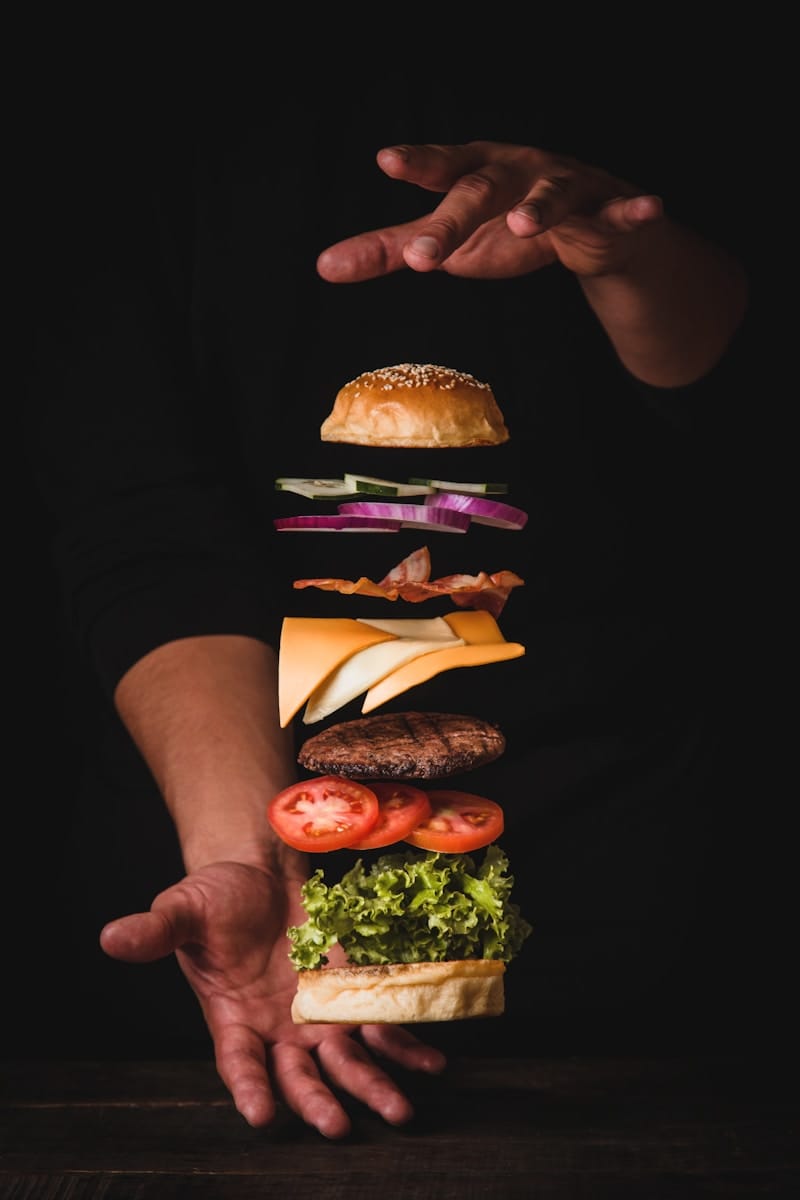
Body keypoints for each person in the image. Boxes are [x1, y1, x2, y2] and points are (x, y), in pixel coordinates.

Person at [17, 65, 775, 1140]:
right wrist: (243, 849)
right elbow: (141, 531)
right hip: (233, 932)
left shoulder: (667, 74)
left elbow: (745, 418)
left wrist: (627, 260)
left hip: (659, 926)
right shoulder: (102, 116)